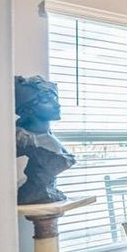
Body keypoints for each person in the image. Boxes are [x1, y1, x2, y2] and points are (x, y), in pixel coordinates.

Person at [15, 75, 76, 204]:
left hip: (48, 191)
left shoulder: (49, 137)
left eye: (55, 98)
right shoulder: (25, 139)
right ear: (28, 109)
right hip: (32, 194)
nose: (57, 104)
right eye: (47, 99)